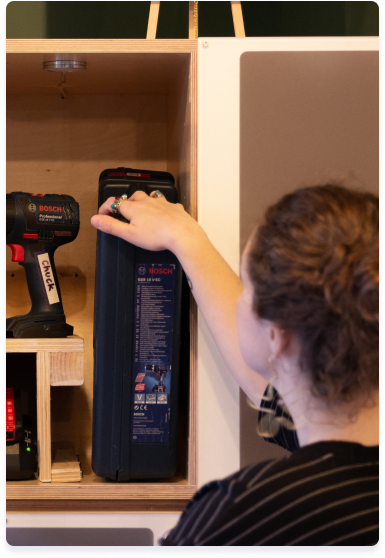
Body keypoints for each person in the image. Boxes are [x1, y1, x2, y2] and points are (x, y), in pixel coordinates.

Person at [91, 184, 379, 546]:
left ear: (278, 336)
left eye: (248, 290)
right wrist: (185, 237)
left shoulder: (241, 519)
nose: (241, 299)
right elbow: (268, 384)